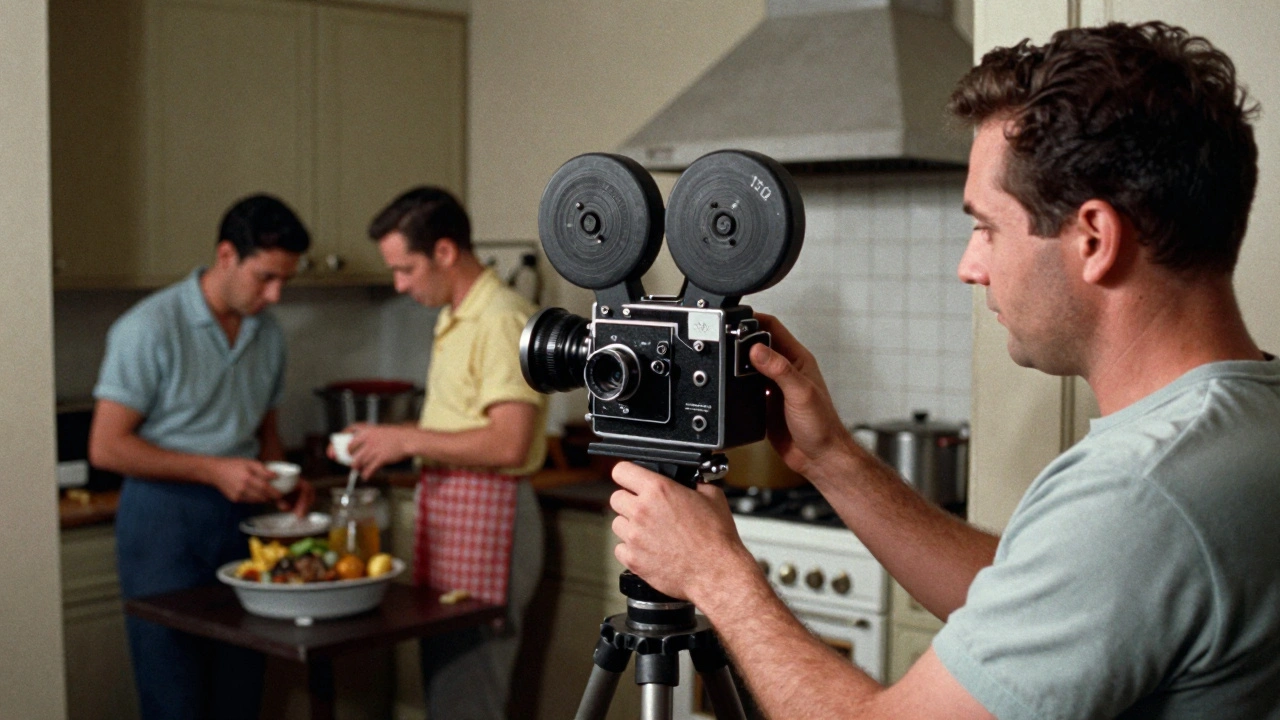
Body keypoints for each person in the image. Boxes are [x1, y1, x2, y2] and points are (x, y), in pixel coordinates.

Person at [608, 21, 1280, 719]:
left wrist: (717, 576)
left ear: (1094, 239)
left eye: (986, 226)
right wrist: (829, 456)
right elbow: (1045, 600)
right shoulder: (1246, 424)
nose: (970, 266)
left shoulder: (1139, 493)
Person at [88, 193, 315, 719]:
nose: (277, 295)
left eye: (286, 281)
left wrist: (285, 485)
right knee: (175, 694)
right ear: (227, 256)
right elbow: (106, 445)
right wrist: (211, 469)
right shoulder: (148, 328)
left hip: (241, 519)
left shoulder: (268, 334)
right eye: (266, 278)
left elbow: (268, 434)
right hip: (162, 523)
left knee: (242, 689)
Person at [338, 186, 547, 719]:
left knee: (468, 699)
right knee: (448, 694)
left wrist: (405, 439)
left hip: (491, 517)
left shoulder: (502, 317)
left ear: (446, 252)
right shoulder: (456, 314)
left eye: (406, 269)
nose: (399, 284)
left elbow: (509, 441)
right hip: (455, 514)